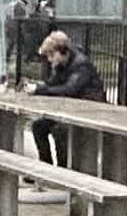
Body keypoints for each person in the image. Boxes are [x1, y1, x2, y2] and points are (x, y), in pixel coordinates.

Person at [28, 30, 108, 164]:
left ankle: (63, 169)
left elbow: (70, 89)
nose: (49, 59)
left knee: (60, 130)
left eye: (51, 55)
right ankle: (45, 165)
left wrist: (42, 89)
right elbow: (53, 84)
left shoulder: (81, 64)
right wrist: (39, 87)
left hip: (89, 109)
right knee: (38, 126)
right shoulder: (61, 65)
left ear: (61, 52)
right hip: (70, 109)